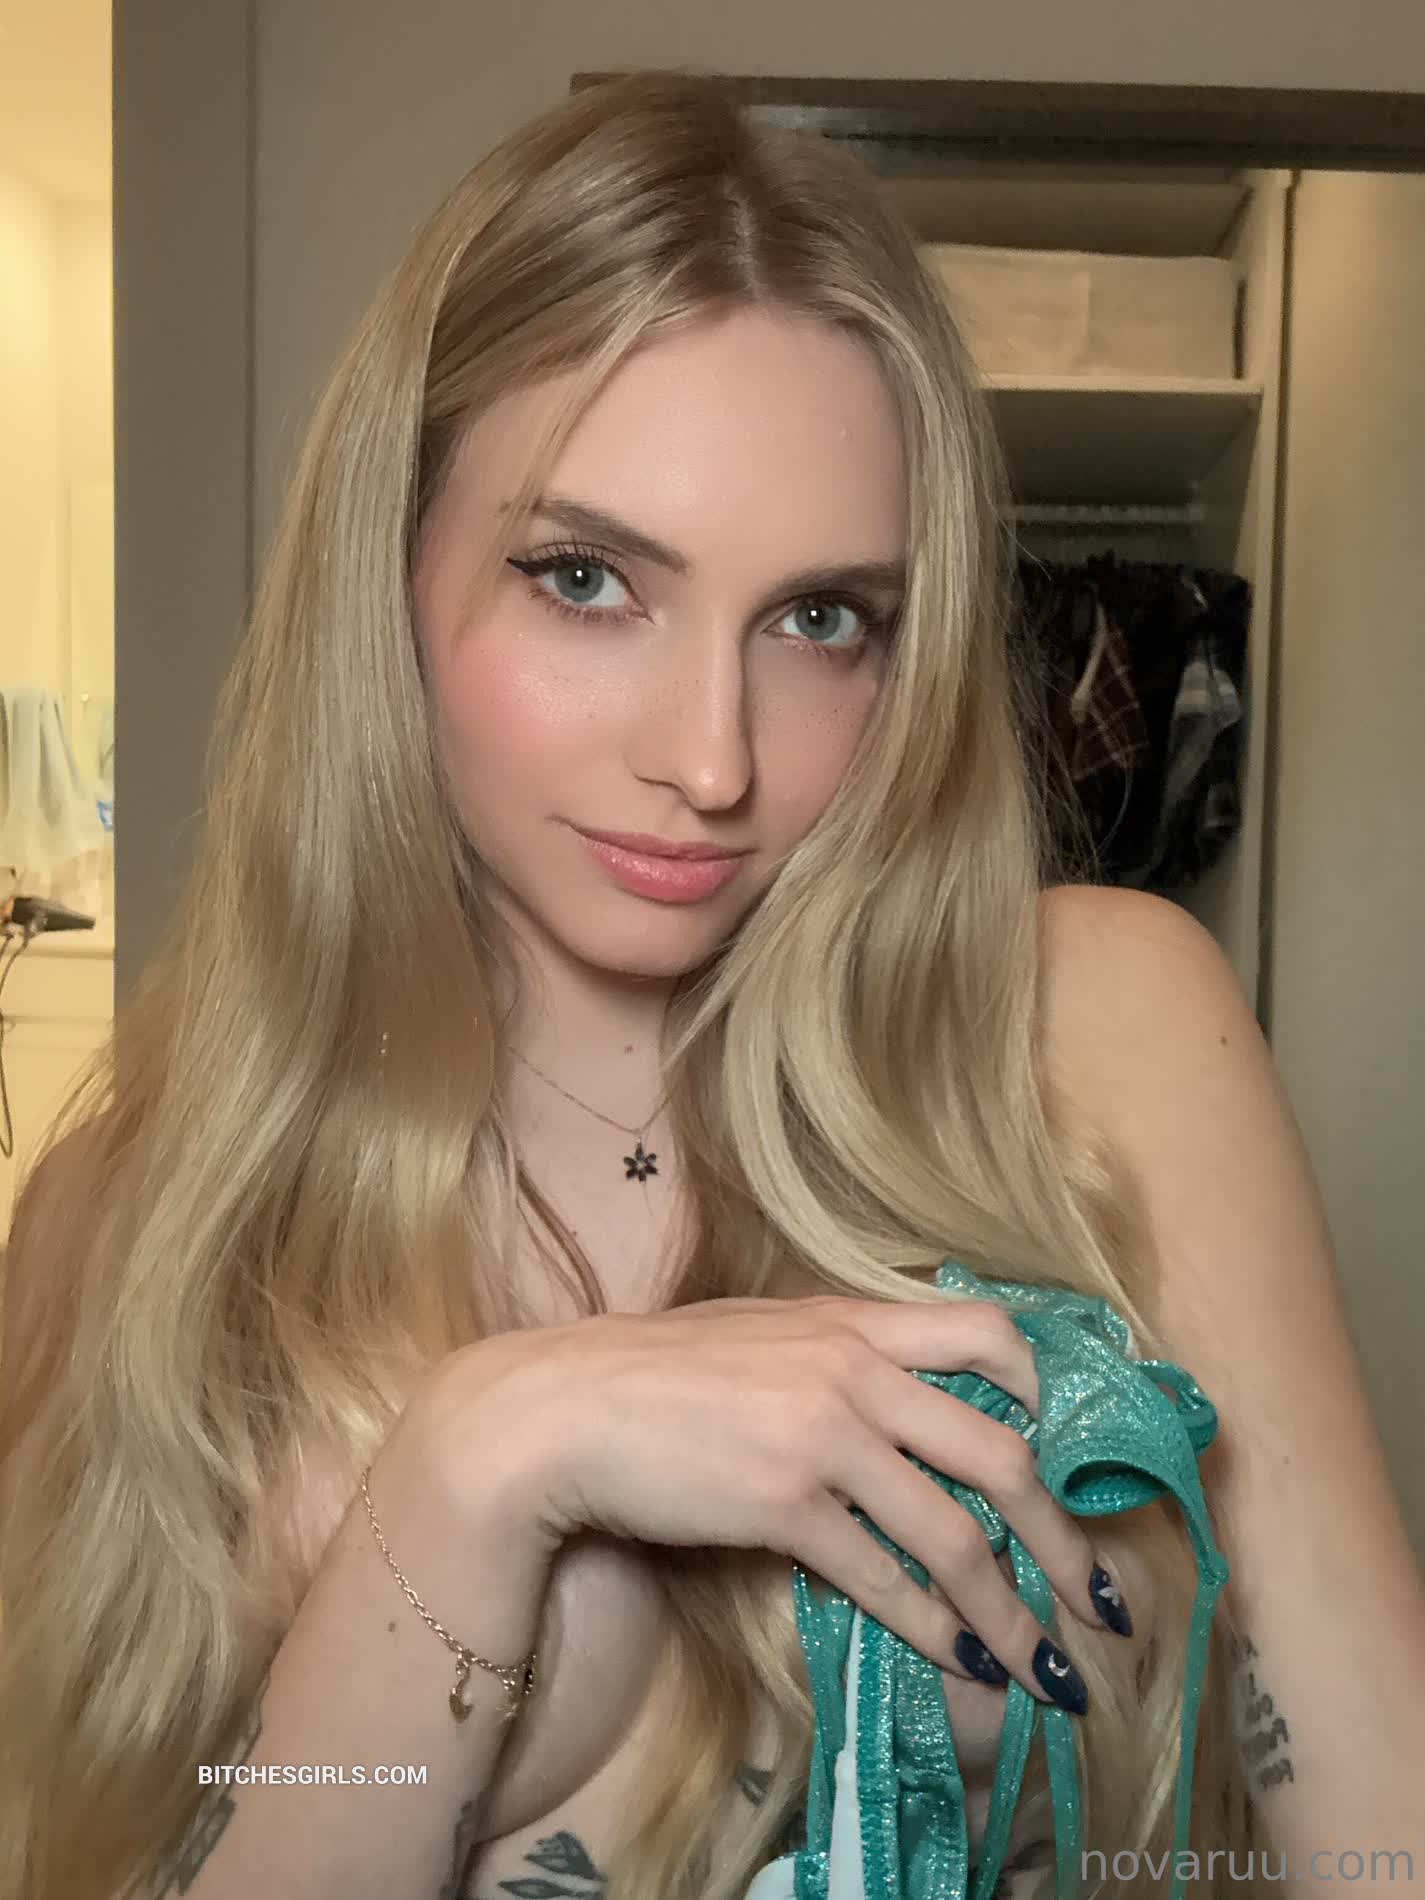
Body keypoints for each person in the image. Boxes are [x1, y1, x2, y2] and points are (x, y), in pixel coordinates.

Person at [2, 65, 1422, 1900]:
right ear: (390, 566)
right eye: (586, 580)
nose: (712, 758)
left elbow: (1377, 1822)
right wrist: (479, 1467)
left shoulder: (1097, 1031)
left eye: (822, 620)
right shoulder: (141, 1218)